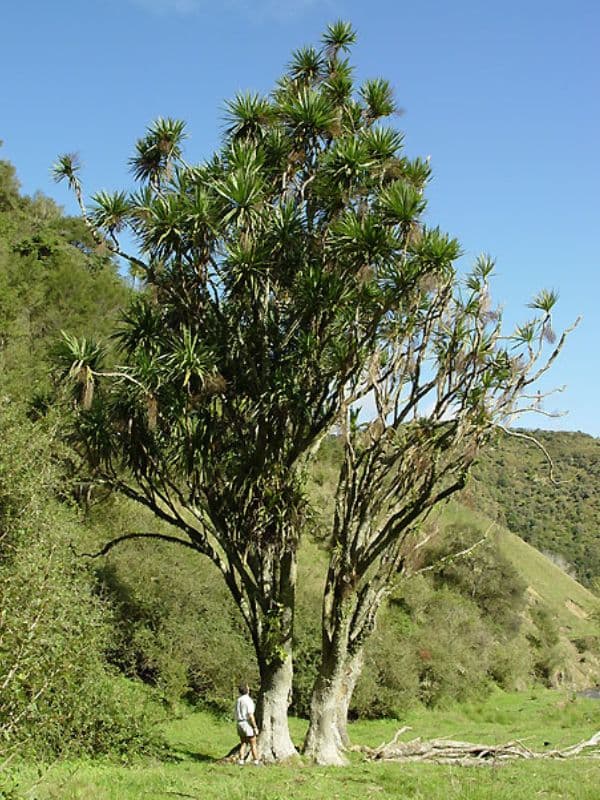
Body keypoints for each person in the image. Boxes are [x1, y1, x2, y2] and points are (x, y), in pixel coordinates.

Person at [235, 682, 260, 766]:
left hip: (239, 723)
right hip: (246, 723)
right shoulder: (248, 700)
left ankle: (241, 760)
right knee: (253, 743)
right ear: (247, 690)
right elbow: (250, 715)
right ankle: (256, 760)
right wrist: (255, 727)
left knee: (243, 742)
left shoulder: (238, 700)